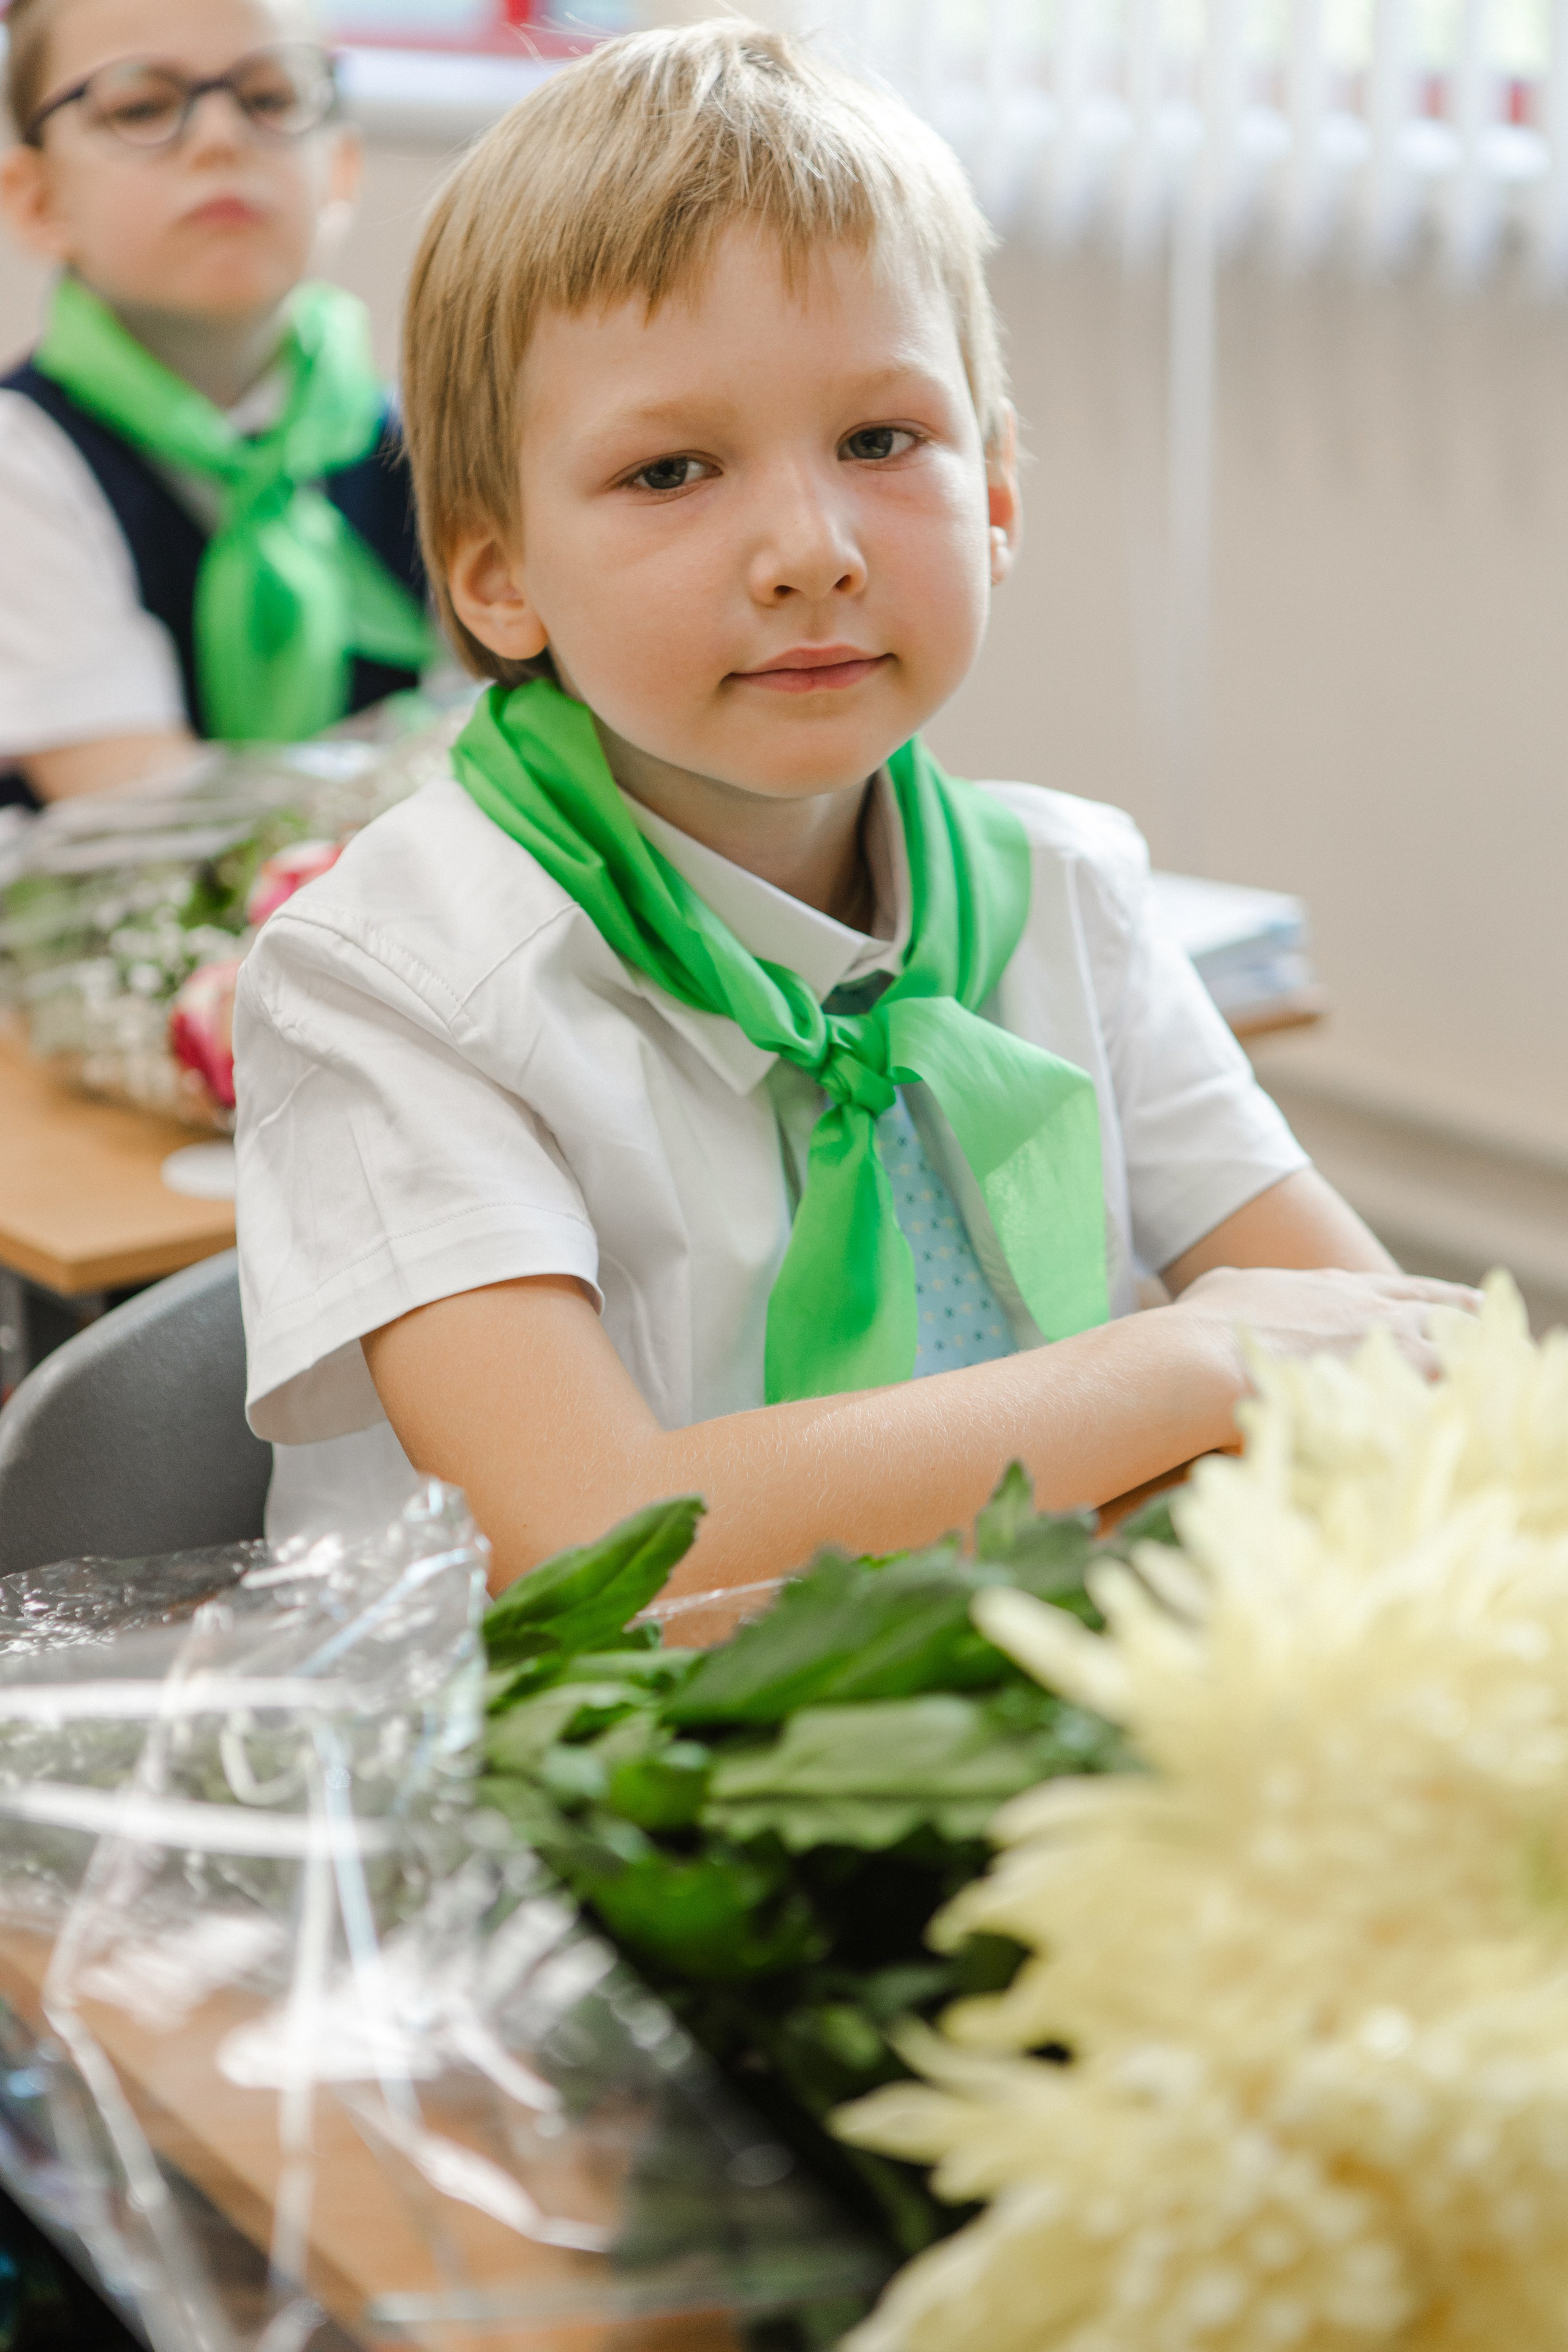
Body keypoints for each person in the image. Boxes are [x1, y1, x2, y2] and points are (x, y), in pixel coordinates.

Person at [233, 22, 1474, 1597]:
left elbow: (1383, 1360)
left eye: (881, 441)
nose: (809, 549)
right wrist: (1181, 1367)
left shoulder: (1063, 891)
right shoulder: (390, 983)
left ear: (999, 495)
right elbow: (594, 1552)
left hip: (1000, 1727)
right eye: (673, 471)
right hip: (551, 1800)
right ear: (495, 577)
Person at [0, 0, 433, 807]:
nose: (221, 139)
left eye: (270, 98)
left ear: (340, 167)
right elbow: (138, 821)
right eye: (141, 106)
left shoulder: (429, 449)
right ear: (37, 199)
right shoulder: (19, 466)